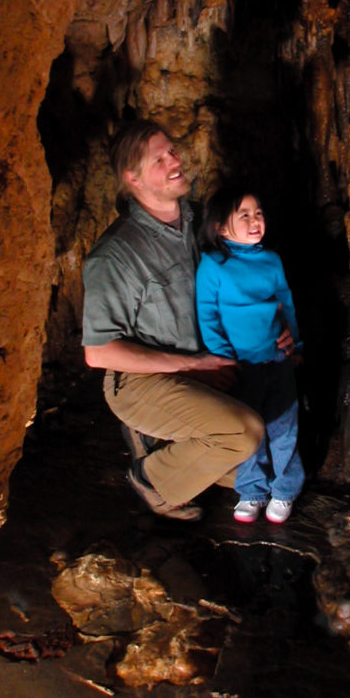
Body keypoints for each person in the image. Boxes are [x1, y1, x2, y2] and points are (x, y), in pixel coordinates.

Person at [82, 121, 265, 519]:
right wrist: (194, 366)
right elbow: (99, 353)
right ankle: (152, 478)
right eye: (159, 160)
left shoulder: (199, 222)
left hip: (201, 362)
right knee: (244, 433)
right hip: (141, 381)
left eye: (172, 152)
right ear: (133, 179)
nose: (174, 161)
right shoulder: (115, 255)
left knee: (264, 470)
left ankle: (171, 443)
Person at [195, 186, 305, 524]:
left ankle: (285, 490)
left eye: (258, 213)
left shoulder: (272, 261)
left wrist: (296, 345)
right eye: (243, 215)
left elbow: (286, 303)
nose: (254, 220)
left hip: (275, 360)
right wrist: (222, 357)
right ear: (220, 228)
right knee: (249, 432)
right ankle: (252, 491)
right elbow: (207, 314)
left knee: (283, 428)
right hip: (241, 366)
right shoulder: (213, 265)